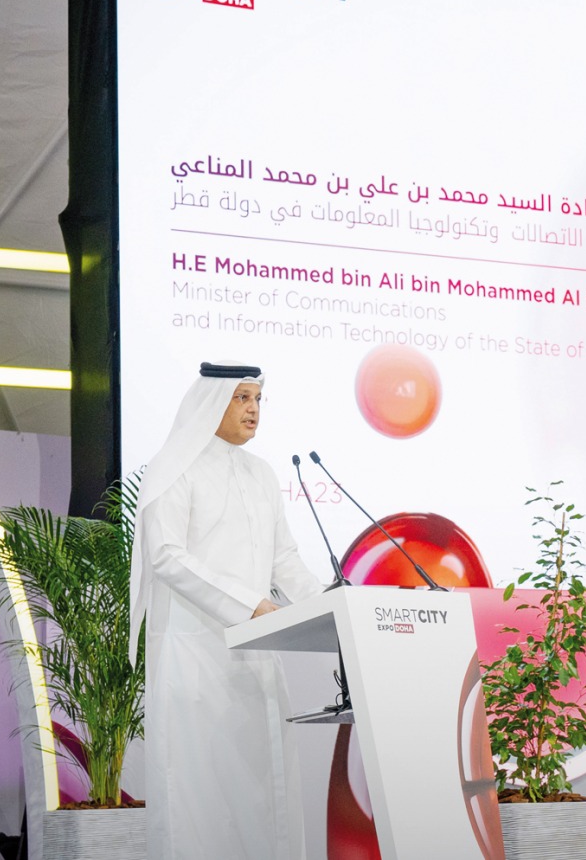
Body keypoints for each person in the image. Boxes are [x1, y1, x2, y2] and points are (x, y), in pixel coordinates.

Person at [129, 361, 324, 859]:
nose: (253, 409)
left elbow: (284, 560)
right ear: (212, 401)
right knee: (201, 806)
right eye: (241, 398)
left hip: (257, 659)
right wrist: (249, 605)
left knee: (264, 804)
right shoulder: (174, 467)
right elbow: (166, 555)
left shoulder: (262, 474)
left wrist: (330, 606)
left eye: (257, 399)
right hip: (197, 664)